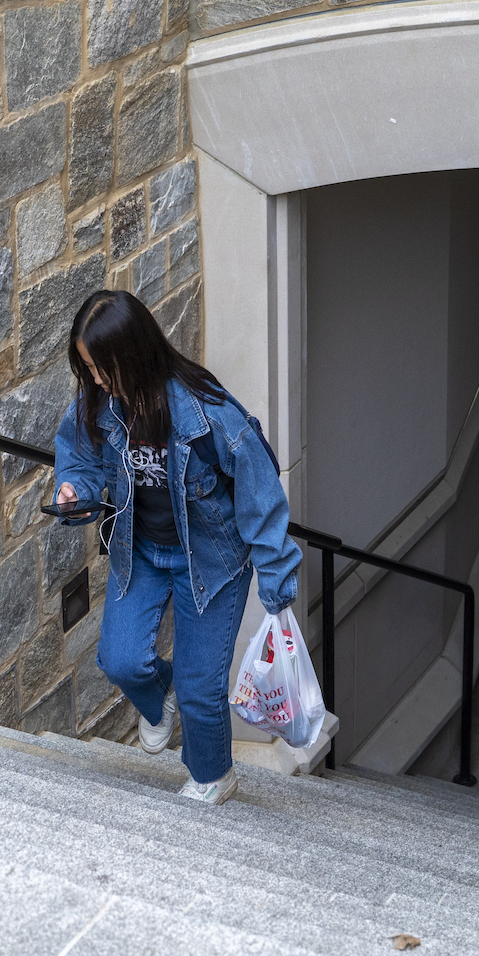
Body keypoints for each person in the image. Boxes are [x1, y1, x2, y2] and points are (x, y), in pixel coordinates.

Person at [52, 290, 300, 805]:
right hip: (140, 551)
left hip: (209, 562)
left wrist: (277, 578)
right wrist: (73, 488)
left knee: (199, 689)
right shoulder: (99, 405)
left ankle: (213, 777)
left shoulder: (206, 414)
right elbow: (78, 452)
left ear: (133, 354)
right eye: (89, 368)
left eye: (102, 368)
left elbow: (260, 494)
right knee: (119, 660)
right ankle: (158, 694)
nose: (95, 380)